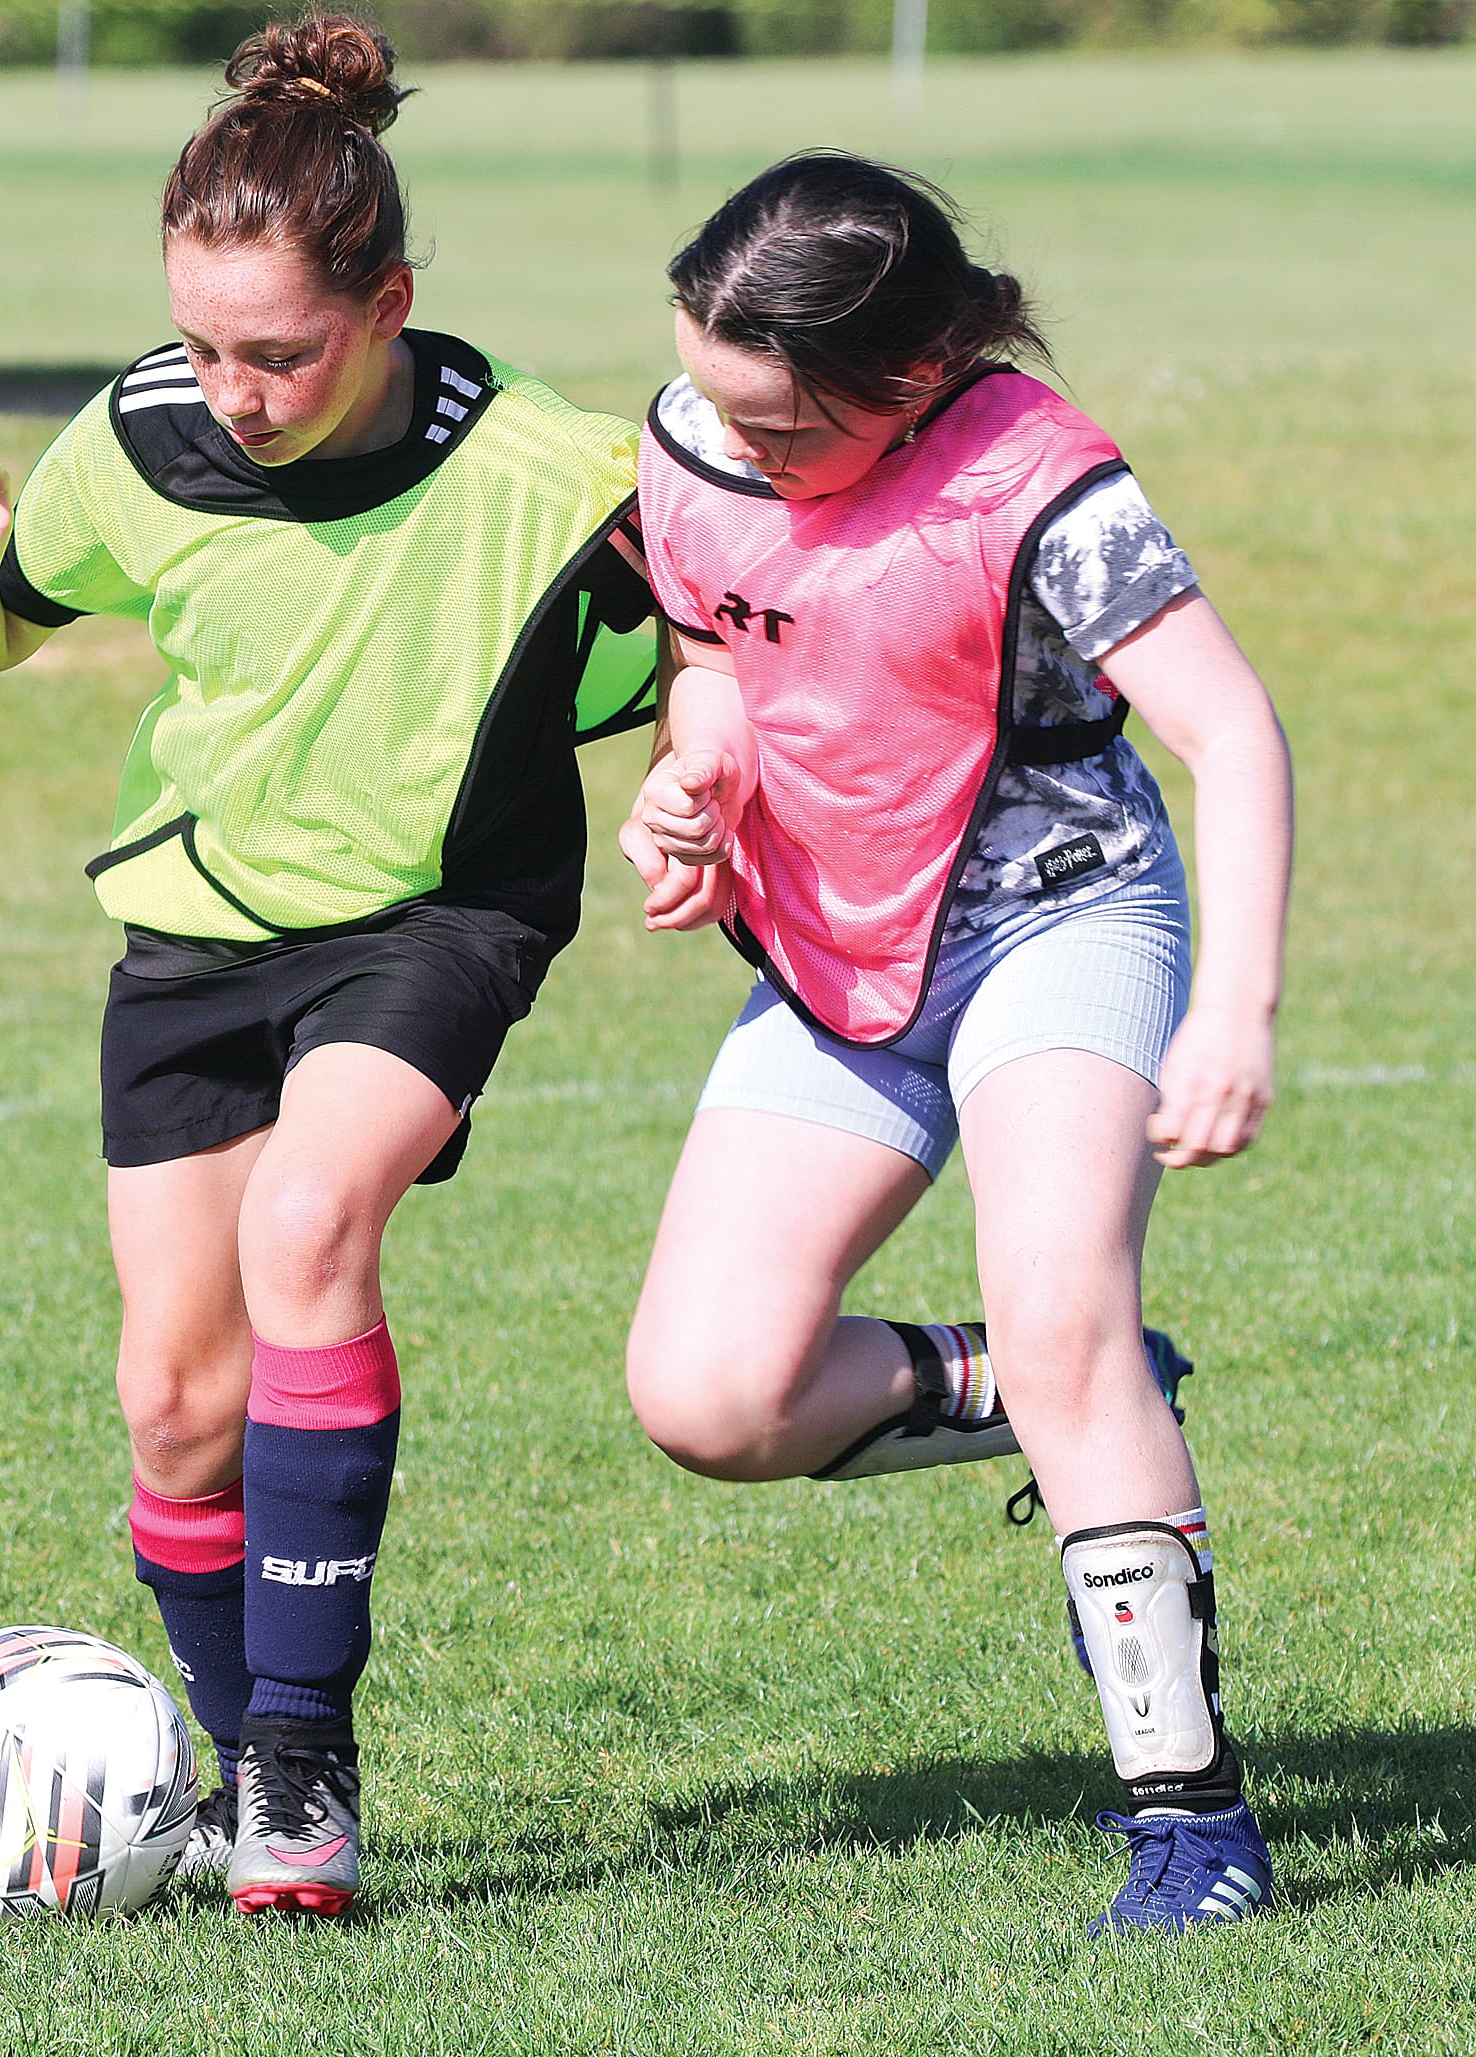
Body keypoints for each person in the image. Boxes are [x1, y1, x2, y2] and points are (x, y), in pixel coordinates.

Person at [0, 13, 653, 1918]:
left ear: (385, 302)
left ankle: (299, 1770)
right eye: (205, 341)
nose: (233, 388)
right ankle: (235, 1788)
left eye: (281, 351)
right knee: (174, 1404)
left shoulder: (546, 466)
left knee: (311, 1226)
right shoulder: (138, 433)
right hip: (196, 938)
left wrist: (699, 763)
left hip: (438, 914)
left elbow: (720, 635)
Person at [620, 152, 1292, 1934]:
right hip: (843, 957)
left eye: (778, 426)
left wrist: (1233, 1003)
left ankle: (1190, 1821)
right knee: (706, 1394)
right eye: (712, 392)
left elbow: (1232, 732)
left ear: (907, 384)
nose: (731, 440)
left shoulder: (1038, 485)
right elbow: (714, 647)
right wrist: (697, 783)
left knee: (1058, 1296)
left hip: (1060, 918)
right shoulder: (692, 433)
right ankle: (1062, 1379)